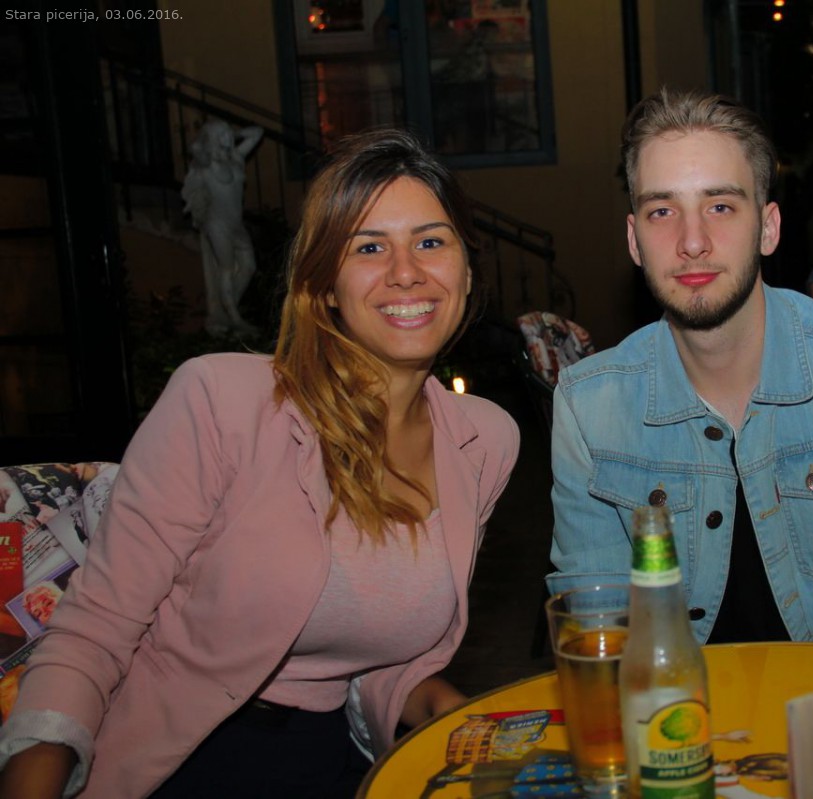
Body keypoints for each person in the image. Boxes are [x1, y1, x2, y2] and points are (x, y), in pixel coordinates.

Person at [0, 128, 520, 799]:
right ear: (324, 285)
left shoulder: (485, 440)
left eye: (430, 241)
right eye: (368, 247)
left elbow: (379, 650)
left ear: (466, 271)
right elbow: (95, 631)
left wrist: (452, 712)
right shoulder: (222, 400)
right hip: (182, 758)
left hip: (337, 760)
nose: (405, 272)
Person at [547, 89, 813, 645]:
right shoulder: (589, 408)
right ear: (635, 241)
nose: (692, 242)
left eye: (721, 206)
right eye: (662, 211)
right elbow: (600, 636)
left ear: (769, 228)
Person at [181, 119, 264, 337]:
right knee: (226, 269)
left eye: (228, 132)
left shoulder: (236, 157)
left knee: (248, 266)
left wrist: (232, 135)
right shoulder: (205, 165)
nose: (228, 137)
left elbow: (257, 132)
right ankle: (235, 318)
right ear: (214, 139)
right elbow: (194, 149)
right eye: (223, 134)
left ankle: (223, 310)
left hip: (236, 225)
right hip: (217, 224)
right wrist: (209, 137)